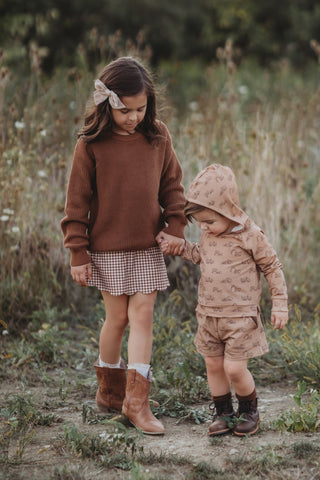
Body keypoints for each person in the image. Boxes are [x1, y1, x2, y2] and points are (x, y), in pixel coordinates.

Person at [61, 56, 186, 435]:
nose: (133, 117)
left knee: (143, 315)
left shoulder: (158, 136)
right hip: (106, 248)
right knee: (116, 319)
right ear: (107, 105)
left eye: (140, 108)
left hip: (147, 245)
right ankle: (110, 392)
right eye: (125, 110)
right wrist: (77, 252)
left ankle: (137, 402)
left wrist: (176, 226)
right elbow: (76, 203)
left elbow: (173, 187)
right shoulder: (91, 145)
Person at [158, 164, 288, 436]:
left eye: (210, 222)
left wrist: (280, 303)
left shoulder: (250, 236)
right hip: (208, 315)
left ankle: (249, 409)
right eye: (201, 223)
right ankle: (223, 413)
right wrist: (179, 246)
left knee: (234, 368)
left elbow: (272, 267)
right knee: (213, 364)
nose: (205, 228)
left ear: (228, 210)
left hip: (240, 317)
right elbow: (198, 254)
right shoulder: (209, 235)